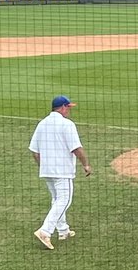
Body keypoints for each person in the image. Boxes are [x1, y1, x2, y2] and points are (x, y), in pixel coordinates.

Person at [29, 95, 91, 250]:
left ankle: (63, 230)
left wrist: (43, 166)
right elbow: (76, 148)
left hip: (46, 170)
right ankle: (45, 231)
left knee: (56, 199)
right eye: (68, 107)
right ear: (63, 107)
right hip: (62, 171)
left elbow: (35, 152)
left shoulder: (42, 124)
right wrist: (86, 165)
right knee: (64, 200)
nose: (69, 110)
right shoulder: (67, 124)